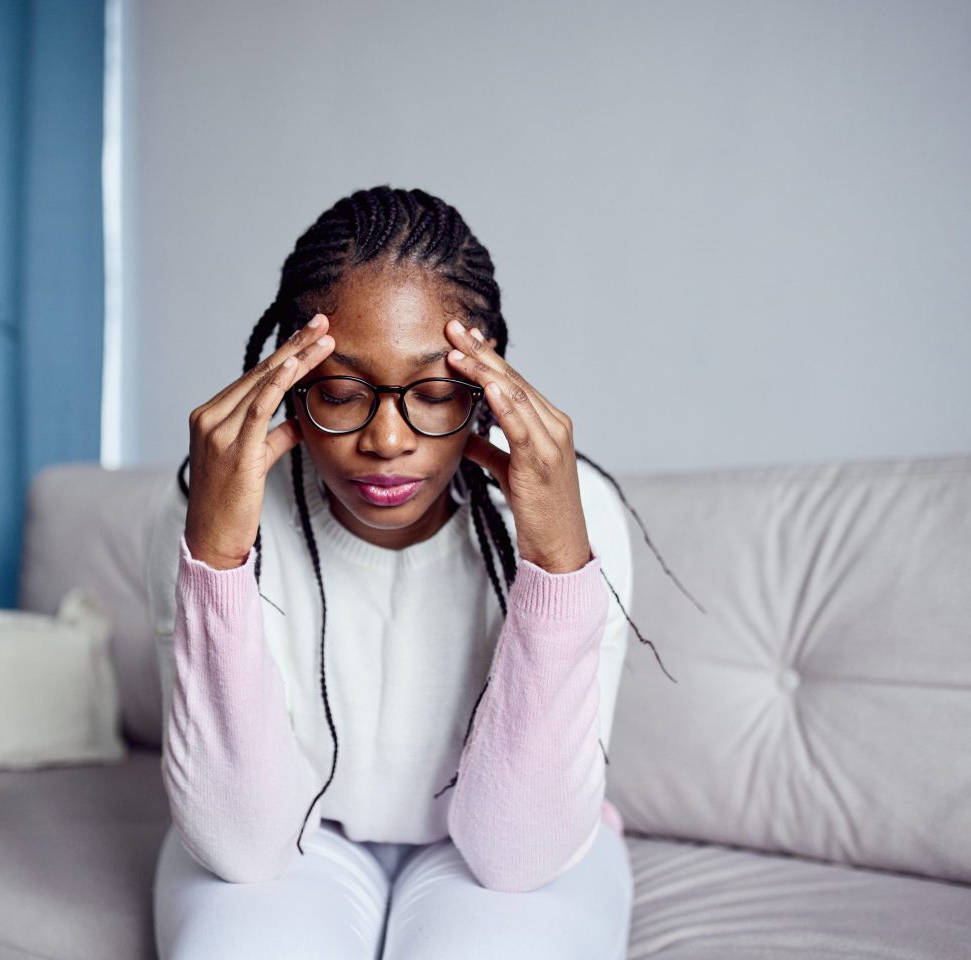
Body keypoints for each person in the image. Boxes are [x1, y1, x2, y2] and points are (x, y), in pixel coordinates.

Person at [146, 185, 685, 958]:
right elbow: (243, 845)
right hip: (293, 840)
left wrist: (557, 565)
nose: (388, 439)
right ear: (291, 384)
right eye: (339, 391)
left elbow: (517, 856)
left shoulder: (574, 510)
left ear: (487, 382)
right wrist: (219, 561)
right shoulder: (215, 502)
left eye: (434, 393)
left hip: (514, 853)